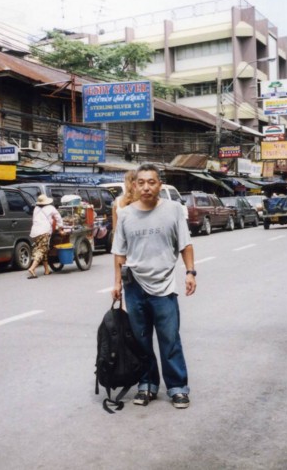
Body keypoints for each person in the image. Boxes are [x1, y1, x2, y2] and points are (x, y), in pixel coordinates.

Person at [111, 163, 196, 409]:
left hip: (165, 285)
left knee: (169, 338)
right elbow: (119, 253)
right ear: (134, 185)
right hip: (134, 284)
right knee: (141, 340)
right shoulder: (125, 214)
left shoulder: (173, 210)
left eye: (151, 182)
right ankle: (146, 385)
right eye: (141, 182)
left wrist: (190, 272)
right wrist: (116, 283)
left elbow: (185, 244)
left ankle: (177, 387)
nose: (146, 187)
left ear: (159, 184)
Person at [27, 194, 63, 279]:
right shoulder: (50, 208)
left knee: (44, 250)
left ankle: (47, 270)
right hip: (44, 231)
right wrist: (59, 227)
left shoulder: (36, 209)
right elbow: (58, 218)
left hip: (35, 232)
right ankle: (32, 268)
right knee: (42, 250)